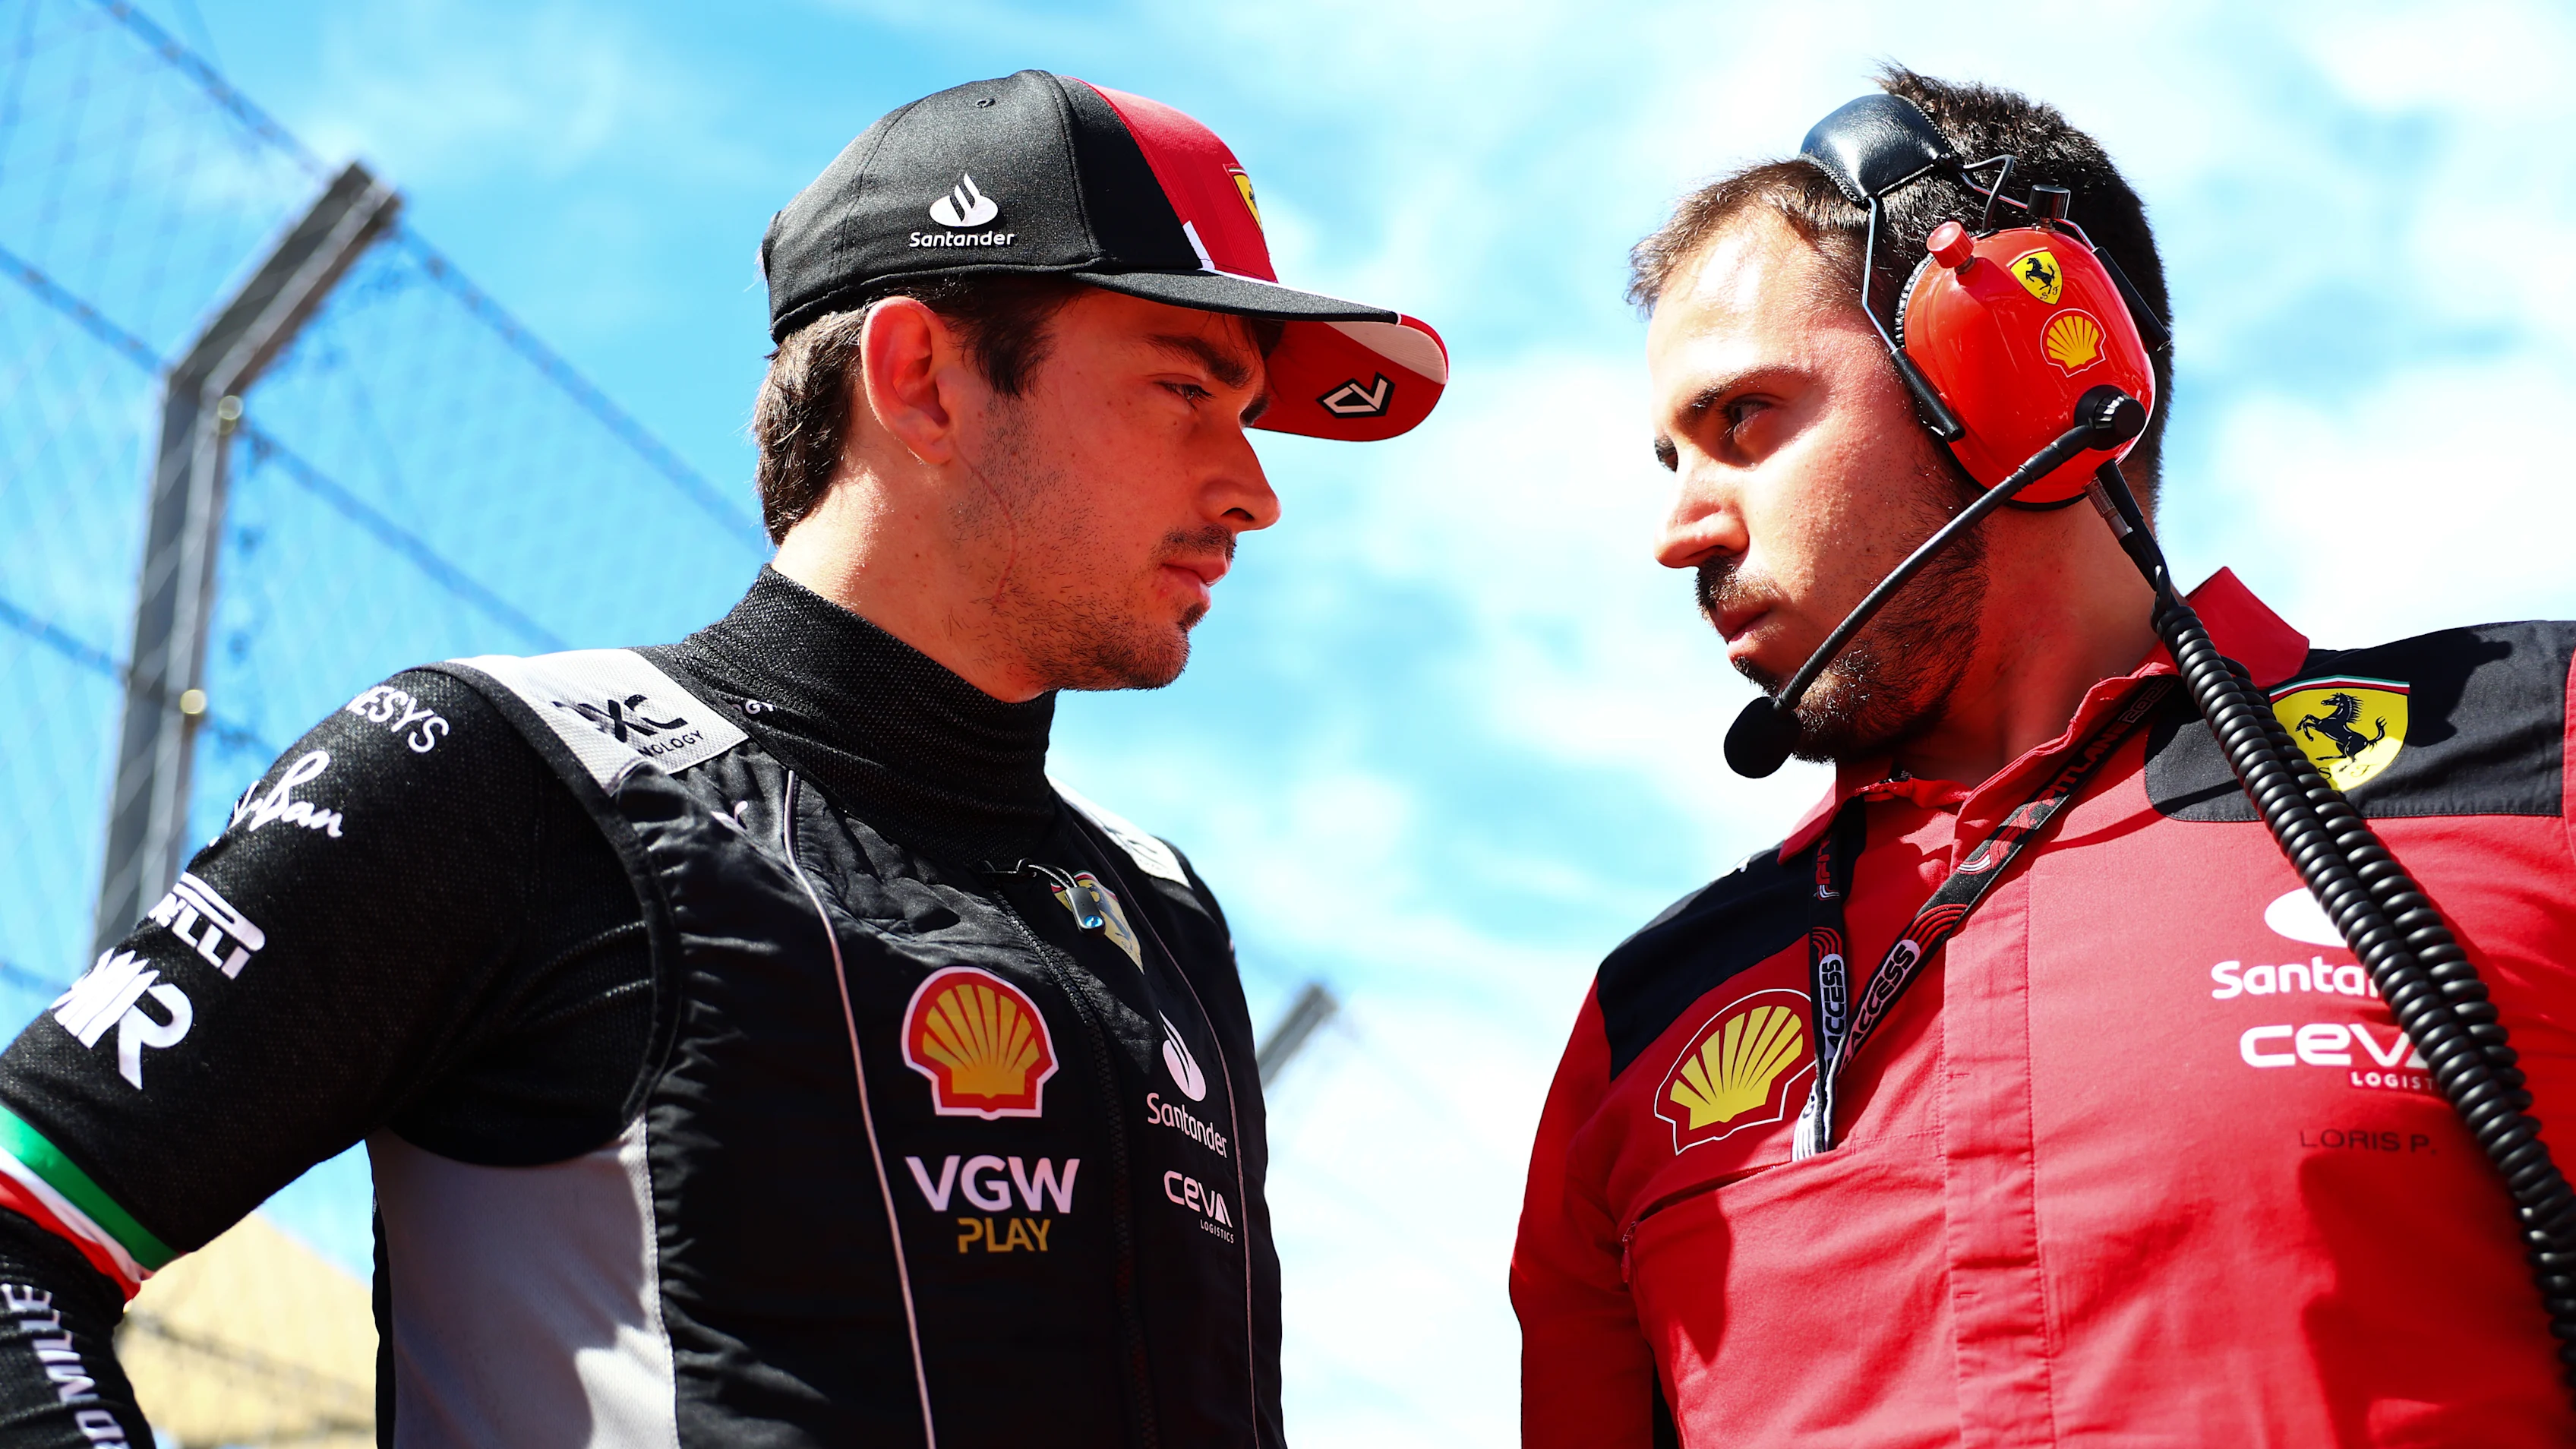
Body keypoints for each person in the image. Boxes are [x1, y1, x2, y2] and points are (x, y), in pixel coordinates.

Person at [0, 70, 1446, 1447]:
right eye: (1190, 389)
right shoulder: (501, 771)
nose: (1253, 491)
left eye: (1250, 415)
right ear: (924, 379)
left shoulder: (1156, 906)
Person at [1511, 66, 2576, 1445]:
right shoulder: (1646, 1019)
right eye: (1670, 458)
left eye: (1742, 424)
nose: (1682, 527)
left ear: (2018, 371)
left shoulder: (2528, 758)